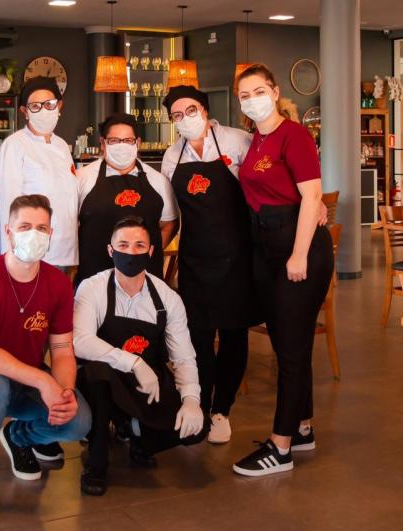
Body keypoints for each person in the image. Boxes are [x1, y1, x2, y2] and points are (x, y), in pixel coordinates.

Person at [0, 194, 91, 521]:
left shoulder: (57, 283)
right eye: (25, 226)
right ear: (8, 231)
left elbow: (61, 349)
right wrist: (43, 380)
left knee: (78, 420)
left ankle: (17, 436)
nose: (34, 234)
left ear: (52, 233)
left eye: (42, 227)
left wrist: (64, 391)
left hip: (24, 382)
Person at [232, 64, 334, 477]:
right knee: (287, 345)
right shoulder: (256, 140)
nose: (252, 99)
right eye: (244, 95)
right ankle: (303, 427)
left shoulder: (294, 134)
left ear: (274, 92)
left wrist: (299, 254)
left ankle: (281, 446)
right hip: (268, 248)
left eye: (258, 90)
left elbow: (312, 196)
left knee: (291, 352)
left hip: (298, 248)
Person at [73, 216, 208, 496]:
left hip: (148, 386)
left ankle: (133, 432)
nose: (131, 252)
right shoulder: (93, 287)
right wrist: (133, 362)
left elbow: (183, 357)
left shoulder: (168, 298)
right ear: (110, 251)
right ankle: (97, 462)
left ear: (150, 251)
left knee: (196, 427)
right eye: (123, 245)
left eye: (139, 246)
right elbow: (80, 341)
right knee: (97, 374)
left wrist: (192, 400)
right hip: (104, 383)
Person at [160, 85, 257, 444]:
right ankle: (198, 404)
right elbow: (170, 213)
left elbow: (260, 191)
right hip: (196, 258)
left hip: (236, 256)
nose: (185, 119)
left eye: (191, 110)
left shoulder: (236, 141)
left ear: (204, 109)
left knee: (233, 333)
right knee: (198, 336)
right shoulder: (173, 156)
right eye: (176, 116)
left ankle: (222, 410)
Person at [76, 112, 178, 284]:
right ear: (103, 143)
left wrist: (144, 254)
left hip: (145, 277)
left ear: (137, 143)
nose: (121, 146)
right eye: (114, 141)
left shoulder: (158, 180)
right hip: (94, 276)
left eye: (128, 140)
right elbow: (71, 227)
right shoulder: (82, 178)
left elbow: (169, 223)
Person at [0, 76, 79, 272]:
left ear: (59, 106)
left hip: (65, 247)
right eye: (35, 106)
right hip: (29, 251)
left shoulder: (61, 146)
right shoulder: (15, 145)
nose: (43, 111)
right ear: (24, 111)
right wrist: (9, 253)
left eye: (49, 104)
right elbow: (7, 204)